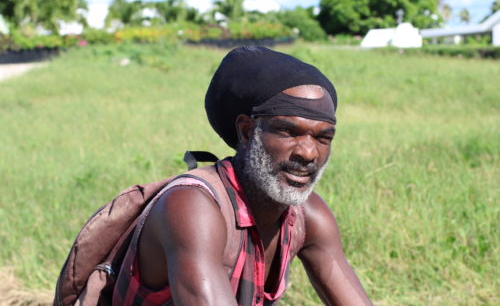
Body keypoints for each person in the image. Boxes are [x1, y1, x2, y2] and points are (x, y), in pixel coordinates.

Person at [112, 47, 373, 305]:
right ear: (247, 131)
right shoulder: (193, 207)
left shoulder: (308, 215)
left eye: (322, 137)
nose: (308, 153)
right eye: (288, 132)